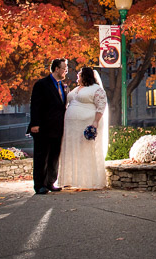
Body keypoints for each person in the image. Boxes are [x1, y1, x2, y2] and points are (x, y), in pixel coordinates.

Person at [58, 66, 109, 189]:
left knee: (86, 151)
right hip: (71, 127)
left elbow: (101, 106)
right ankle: (70, 179)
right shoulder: (75, 89)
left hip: (86, 123)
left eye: (79, 74)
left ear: (85, 76)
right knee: (71, 150)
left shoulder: (96, 89)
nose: (77, 76)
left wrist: (95, 122)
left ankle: (88, 180)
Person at [29, 58, 69, 194]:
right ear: (56, 69)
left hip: (58, 127)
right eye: (64, 68)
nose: (66, 71)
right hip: (43, 128)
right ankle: (39, 185)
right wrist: (35, 124)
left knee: (54, 156)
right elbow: (35, 105)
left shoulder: (64, 86)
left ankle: (50, 182)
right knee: (42, 157)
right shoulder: (41, 84)